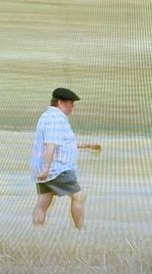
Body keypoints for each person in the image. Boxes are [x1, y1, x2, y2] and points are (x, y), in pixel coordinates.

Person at [30, 87, 101, 229]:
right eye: (71, 103)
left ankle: (36, 233)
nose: (72, 107)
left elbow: (66, 143)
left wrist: (89, 146)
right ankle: (80, 231)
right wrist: (46, 169)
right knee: (79, 196)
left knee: (44, 201)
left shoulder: (49, 117)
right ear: (61, 103)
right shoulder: (55, 119)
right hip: (57, 169)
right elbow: (50, 145)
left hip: (49, 169)